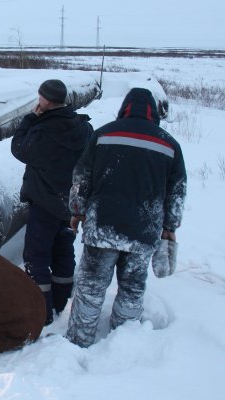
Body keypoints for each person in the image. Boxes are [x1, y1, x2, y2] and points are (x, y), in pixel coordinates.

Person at [66, 87, 187, 348]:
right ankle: (123, 343)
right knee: (132, 289)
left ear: (125, 108)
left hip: (103, 228)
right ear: (153, 112)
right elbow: (177, 192)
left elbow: (81, 179)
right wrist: (170, 226)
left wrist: (77, 210)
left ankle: (77, 342)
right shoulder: (169, 145)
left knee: (91, 287)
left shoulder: (104, 134)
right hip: (143, 232)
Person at [10, 79, 93, 325]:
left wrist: (29, 119)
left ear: (45, 100)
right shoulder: (84, 128)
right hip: (71, 205)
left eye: (40, 97)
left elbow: (19, 149)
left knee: (37, 256)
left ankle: (42, 312)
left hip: (44, 204)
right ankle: (61, 302)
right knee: (64, 251)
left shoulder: (43, 130)